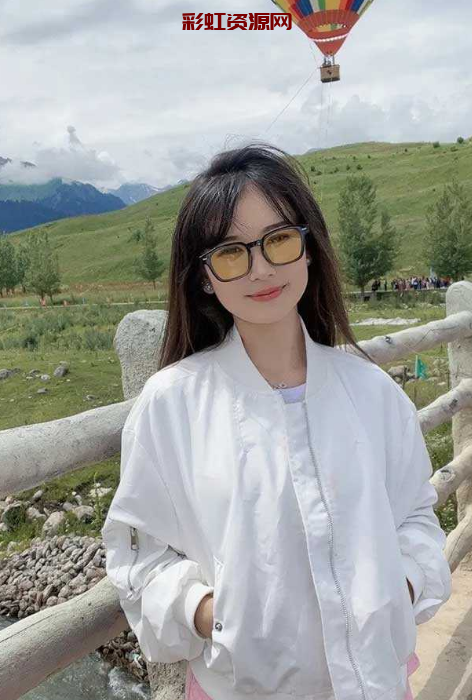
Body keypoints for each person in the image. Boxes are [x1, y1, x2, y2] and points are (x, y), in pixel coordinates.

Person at [101, 142, 451, 700]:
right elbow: (140, 553)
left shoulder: (373, 393)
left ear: (309, 249)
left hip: (378, 682)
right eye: (230, 252)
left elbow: (415, 515)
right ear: (204, 277)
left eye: (279, 239)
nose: (261, 267)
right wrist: (210, 614)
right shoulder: (172, 404)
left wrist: (401, 586)